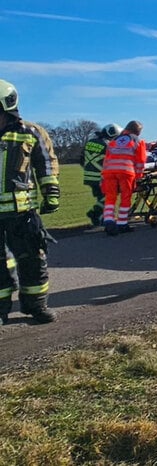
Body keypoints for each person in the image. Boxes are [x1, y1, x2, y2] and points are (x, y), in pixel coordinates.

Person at [0, 79, 59, 323]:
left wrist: (51, 192)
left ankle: (35, 306)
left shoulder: (31, 133)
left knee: (33, 259)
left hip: (23, 213)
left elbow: (45, 163)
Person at [101, 120, 147, 235]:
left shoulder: (114, 141)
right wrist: (139, 176)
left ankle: (108, 220)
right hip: (126, 172)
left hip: (109, 172)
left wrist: (104, 174)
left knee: (110, 198)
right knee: (125, 198)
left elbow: (106, 158)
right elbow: (141, 161)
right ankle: (122, 223)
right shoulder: (138, 141)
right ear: (138, 132)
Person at [81, 122, 121, 226]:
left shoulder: (90, 142)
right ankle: (95, 213)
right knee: (109, 197)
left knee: (102, 197)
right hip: (101, 177)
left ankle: (101, 218)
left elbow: (81, 159)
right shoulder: (107, 145)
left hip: (89, 177)